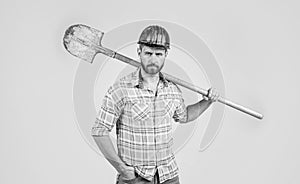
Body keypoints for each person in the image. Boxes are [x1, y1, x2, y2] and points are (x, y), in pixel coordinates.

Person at [91, 25, 219, 184]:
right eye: (148, 53)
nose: (153, 59)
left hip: (169, 176)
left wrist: (207, 101)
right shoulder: (120, 90)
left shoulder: (172, 90)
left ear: (166, 54)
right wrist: (122, 169)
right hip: (137, 178)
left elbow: (184, 116)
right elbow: (99, 131)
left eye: (158, 54)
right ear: (139, 52)